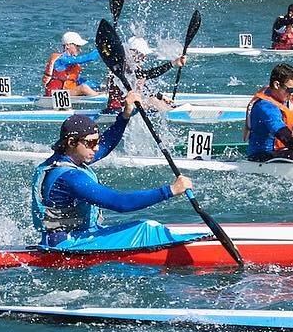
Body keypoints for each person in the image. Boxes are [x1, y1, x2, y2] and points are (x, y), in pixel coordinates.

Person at [32, 97, 193, 251]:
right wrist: (170, 191)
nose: (96, 148)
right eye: (91, 143)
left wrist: (125, 115)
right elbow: (121, 203)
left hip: (64, 239)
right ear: (71, 143)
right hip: (69, 245)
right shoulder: (71, 178)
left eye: (96, 141)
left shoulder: (63, 159)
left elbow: (106, 144)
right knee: (146, 229)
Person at [106, 37, 186, 113]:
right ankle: (170, 112)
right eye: (141, 55)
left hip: (126, 107)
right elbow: (150, 74)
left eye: (144, 55)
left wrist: (161, 97)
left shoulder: (131, 68)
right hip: (117, 110)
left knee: (154, 99)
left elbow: (145, 88)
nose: (144, 58)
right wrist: (173, 63)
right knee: (152, 101)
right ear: (132, 52)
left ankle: (169, 109)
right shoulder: (124, 68)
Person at [42, 30, 101, 96]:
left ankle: (101, 94)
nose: (79, 49)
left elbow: (76, 80)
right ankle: (102, 99)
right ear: (67, 45)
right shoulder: (62, 60)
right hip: (55, 94)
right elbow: (88, 58)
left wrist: (99, 86)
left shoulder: (72, 62)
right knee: (83, 88)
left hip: (65, 92)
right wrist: (101, 49)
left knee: (99, 87)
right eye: (77, 46)